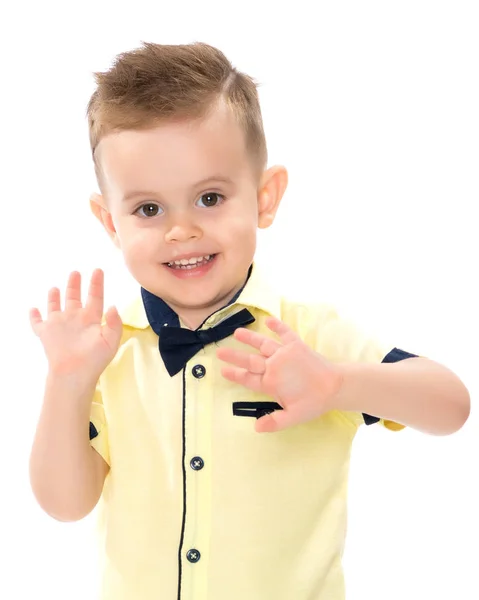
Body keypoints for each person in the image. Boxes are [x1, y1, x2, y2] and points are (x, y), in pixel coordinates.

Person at [28, 42, 470, 600]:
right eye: (148, 209)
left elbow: (450, 404)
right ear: (109, 221)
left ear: (265, 197)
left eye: (209, 198)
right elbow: (64, 505)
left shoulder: (308, 336)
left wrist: (337, 384)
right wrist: (65, 382)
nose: (181, 230)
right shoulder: (107, 352)